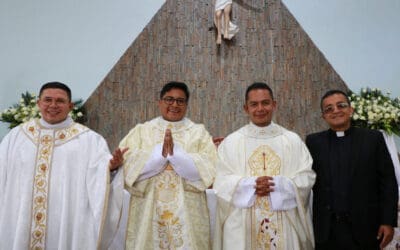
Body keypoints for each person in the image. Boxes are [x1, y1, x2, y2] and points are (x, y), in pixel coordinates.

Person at [0, 82, 124, 249]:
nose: (53, 105)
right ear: (38, 103)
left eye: (59, 101)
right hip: (21, 219)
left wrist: (111, 168)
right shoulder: (17, 136)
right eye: (47, 100)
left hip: (65, 221)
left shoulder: (89, 140)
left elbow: (99, 175)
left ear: (70, 106)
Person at [213, 82, 316, 249]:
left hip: (284, 221)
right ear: (246, 108)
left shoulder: (292, 140)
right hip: (242, 226)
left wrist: (280, 185)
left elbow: (307, 176)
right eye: (254, 104)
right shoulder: (232, 142)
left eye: (265, 103)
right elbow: (220, 180)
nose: (260, 108)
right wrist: (249, 186)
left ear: (274, 104)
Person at [118, 81, 217, 249]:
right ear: (159, 102)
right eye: (169, 99)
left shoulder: (198, 132)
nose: (174, 104)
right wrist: (158, 156)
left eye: (180, 101)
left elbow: (211, 166)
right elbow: (125, 163)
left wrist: (177, 156)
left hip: (189, 210)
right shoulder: (142, 131)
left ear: (186, 104)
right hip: (148, 207)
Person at [306, 89, 398, 250]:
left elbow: (388, 181)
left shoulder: (372, 138)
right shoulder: (314, 142)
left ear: (351, 109)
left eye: (341, 105)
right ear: (323, 116)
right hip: (327, 231)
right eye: (329, 109)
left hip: (366, 228)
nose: (335, 111)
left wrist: (388, 221)